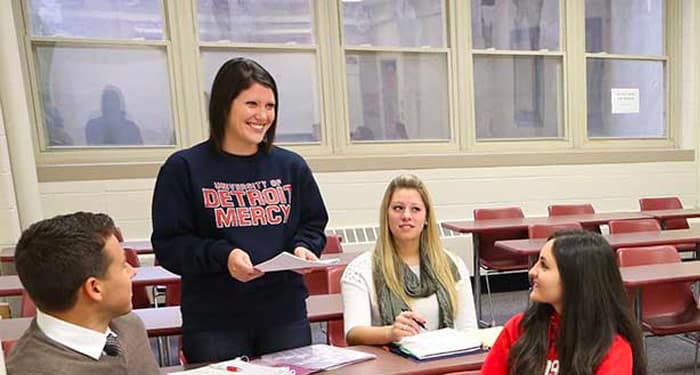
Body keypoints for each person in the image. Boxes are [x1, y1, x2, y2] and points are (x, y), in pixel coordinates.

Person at [151, 57, 329, 362]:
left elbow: (313, 224)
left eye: (270, 106)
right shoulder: (184, 168)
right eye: (252, 104)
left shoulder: (291, 166)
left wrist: (304, 248)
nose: (262, 115)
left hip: (284, 314)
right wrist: (224, 256)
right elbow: (169, 245)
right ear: (224, 104)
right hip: (215, 321)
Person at [7, 212, 159, 375]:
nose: (132, 271)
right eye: (123, 265)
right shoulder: (30, 370)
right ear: (95, 288)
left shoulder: (129, 326)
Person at [481, 230, 646, 375]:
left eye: (544, 266)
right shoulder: (519, 328)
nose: (532, 272)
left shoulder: (612, 348)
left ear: (575, 280)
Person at [341, 174, 477, 345]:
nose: (406, 216)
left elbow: (468, 329)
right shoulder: (360, 270)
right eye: (398, 208)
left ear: (426, 218)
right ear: (386, 215)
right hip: (390, 365)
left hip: (444, 361)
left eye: (415, 209)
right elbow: (353, 334)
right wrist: (390, 332)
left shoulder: (452, 265)